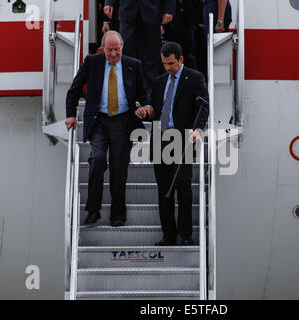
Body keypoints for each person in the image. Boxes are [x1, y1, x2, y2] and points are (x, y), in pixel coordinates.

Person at [65, 31, 151, 226]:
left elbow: (145, 92)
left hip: (123, 122)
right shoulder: (92, 62)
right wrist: (71, 114)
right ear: (103, 49)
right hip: (99, 122)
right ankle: (93, 211)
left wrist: (146, 107)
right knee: (97, 160)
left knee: (118, 170)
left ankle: (118, 213)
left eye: (117, 49)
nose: (113, 54)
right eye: (110, 50)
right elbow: (74, 89)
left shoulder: (133, 65)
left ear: (122, 47)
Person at [135, 42, 209, 246]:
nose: (168, 68)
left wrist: (198, 130)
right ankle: (168, 235)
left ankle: (185, 235)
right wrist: (146, 112)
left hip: (183, 138)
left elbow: (203, 107)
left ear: (181, 60)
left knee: (183, 188)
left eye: (171, 64)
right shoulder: (159, 82)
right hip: (160, 138)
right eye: (165, 64)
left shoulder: (195, 78)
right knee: (163, 190)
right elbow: (156, 109)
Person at [104, 0, 176, 87]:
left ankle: (149, 91)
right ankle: (129, 88)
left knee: (151, 55)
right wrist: (109, 2)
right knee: (126, 53)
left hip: (153, 10)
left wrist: (169, 9)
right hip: (128, 10)